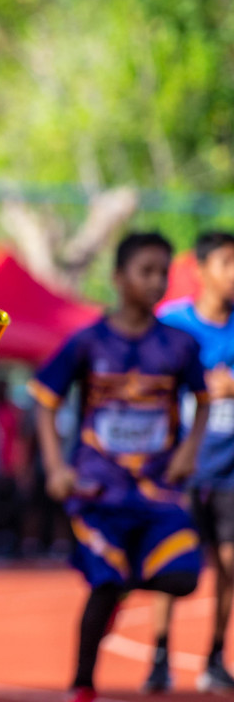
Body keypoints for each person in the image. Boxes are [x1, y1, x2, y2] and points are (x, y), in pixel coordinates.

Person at [29, 231, 208, 702]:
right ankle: (82, 683)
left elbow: (205, 399)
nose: (156, 281)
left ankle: (125, 572)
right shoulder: (88, 341)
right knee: (106, 585)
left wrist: (190, 450)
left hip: (157, 492)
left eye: (163, 272)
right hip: (98, 492)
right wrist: (55, 468)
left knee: (184, 576)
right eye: (145, 271)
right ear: (118, 278)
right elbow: (44, 399)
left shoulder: (179, 346)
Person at [140, 229, 234, 691]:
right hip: (178, 467)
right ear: (201, 270)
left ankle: (216, 657)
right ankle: (160, 654)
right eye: (227, 263)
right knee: (172, 564)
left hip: (230, 470)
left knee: (230, 565)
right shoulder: (172, 325)